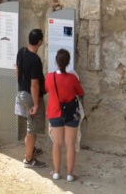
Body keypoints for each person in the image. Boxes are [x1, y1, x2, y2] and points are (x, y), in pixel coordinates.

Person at [45, 48, 84, 182]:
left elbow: (47, 89)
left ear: (56, 61)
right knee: (70, 144)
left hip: (55, 112)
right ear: (68, 63)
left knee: (57, 143)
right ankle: (70, 174)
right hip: (71, 113)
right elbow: (80, 92)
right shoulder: (72, 78)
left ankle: (56, 172)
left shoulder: (50, 77)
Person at [16, 28, 46, 167]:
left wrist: (22, 85)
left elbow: (17, 71)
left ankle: (31, 150)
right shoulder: (35, 60)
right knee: (32, 129)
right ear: (40, 42)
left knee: (30, 124)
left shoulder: (21, 52)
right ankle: (28, 159)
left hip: (21, 92)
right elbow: (35, 85)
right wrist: (36, 104)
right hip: (29, 96)